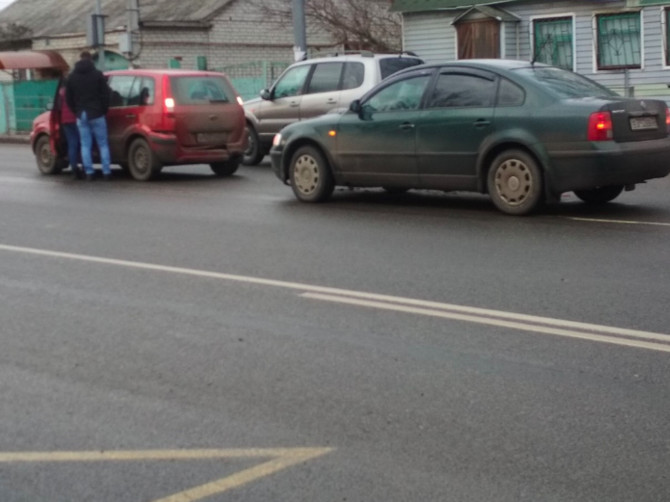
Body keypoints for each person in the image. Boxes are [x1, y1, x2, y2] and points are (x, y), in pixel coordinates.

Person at [65, 50, 112, 181]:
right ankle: (106, 172)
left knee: (85, 145)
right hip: (97, 113)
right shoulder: (97, 75)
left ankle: (89, 172)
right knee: (103, 144)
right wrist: (103, 110)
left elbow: (69, 98)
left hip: (82, 114)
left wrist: (77, 112)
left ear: (79, 59)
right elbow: (105, 94)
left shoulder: (72, 77)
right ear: (91, 60)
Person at [58, 82, 82, 179]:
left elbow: (59, 107)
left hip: (65, 120)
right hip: (75, 119)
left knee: (72, 144)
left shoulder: (61, 93)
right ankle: (84, 166)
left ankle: (74, 168)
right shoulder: (76, 91)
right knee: (82, 143)